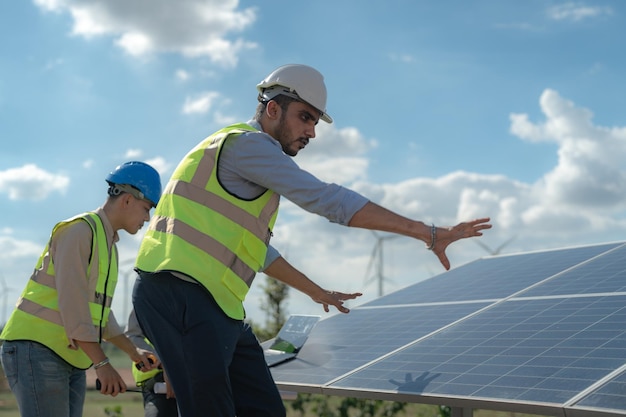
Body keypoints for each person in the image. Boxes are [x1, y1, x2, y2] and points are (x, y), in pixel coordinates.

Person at [131, 64, 492, 417]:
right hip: (180, 294)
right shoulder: (248, 146)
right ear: (273, 109)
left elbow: (257, 251)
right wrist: (426, 232)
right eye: (305, 117)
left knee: (265, 409)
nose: (312, 132)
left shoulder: (244, 162)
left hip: (217, 306)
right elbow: (328, 200)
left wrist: (315, 291)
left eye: (315, 122)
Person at [0, 161, 163, 417]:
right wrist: (102, 362)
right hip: (36, 347)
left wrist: (133, 352)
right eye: (147, 208)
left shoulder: (108, 245)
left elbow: (99, 315)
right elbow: (74, 306)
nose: (147, 218)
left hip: (69, 355)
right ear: (128, 200)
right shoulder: (79, 231)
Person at [125, 309, 179, 417]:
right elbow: (132, 335)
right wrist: (165, 366)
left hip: (198, 382)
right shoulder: (145, 296)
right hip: (157, 384)